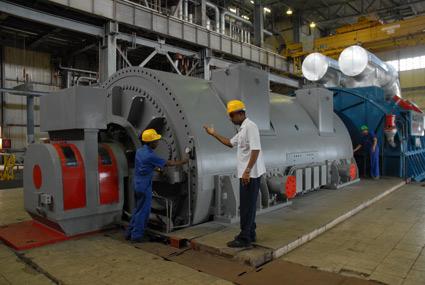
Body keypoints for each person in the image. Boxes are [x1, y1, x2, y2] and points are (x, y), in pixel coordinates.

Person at [204, 100, 266, 248]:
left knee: (246, 206)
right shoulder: (243, 129)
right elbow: (229, 143)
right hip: (247, 174)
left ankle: (244, 239)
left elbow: (255, 150)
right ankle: (250, 233)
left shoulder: (251, 127)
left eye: (231, 115)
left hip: (251, 174)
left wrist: (247, 171)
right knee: (248, 205)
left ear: (240, 113)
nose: (230, 119)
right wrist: (213, 134)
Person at [127, 129, 188, 242]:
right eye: (155, 141)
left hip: (137, 183)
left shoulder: (140, 151)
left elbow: (145, 165)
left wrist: (156, 169)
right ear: (150, 142)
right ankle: (136, 236)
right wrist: (183, 161)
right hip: (145, 186)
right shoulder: (150, 155)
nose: (157, 142)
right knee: (144, 212)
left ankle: (129, 233)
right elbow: (169, 163)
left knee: (137, 209)